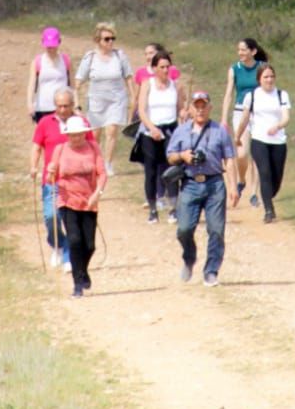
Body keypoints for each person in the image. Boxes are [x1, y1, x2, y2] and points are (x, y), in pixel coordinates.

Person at [165, 90, 239, 287]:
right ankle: (189, 256)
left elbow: (230, 159)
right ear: (190, 109)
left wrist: (233, 186)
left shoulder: (220, 131)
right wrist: (183, 155)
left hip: (214, 183)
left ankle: (211, 270)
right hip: (190, 184)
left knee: (216, 230)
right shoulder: (181, 131)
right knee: (184, 229)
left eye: (203, 106)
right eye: (196, 106)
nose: (200, 110)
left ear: (209, 108)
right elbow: (170, 156)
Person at [30, 88, 95, 272]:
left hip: (75, 182)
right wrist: (33, 166)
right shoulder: (45, 123)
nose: (63, 110)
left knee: (72, 222)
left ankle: (68, 255)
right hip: (51, 180)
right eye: (59, 106)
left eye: (66, 106)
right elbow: (36, 147)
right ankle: (57, 243)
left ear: (73, 105)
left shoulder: (81, 123)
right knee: (51, 217)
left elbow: (92, 147)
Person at [48, 115, 106, 298]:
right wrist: (50, 172)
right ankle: (77, 284)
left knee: (89, 245)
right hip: (67, 200)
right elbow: (53, 172)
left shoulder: (93, 148)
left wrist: (97, 194)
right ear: (67, 135)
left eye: (79, 134)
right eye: (73, 135)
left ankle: (82, 271)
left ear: (84, 134)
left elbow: (102, 173)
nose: (76, 138)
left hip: (89, 201)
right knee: (74, 241)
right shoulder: (60, 149)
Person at [135, 49, 188, 223]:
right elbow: (141, 110)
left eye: (168, 66)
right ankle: (153, 209)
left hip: (170, 130)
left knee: (172, 169)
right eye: (162, 67)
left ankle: (173, 208)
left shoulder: (175, 85)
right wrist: (151, 128)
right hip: (150, 131)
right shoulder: (147, 84)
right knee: (150, 172)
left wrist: (183, 112)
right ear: (155, 68)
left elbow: (180, 107)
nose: (166, 70)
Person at [235, 63, 291, 223]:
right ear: (259, 79)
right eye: (266, 77)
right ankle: (268, 210)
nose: (269, 80)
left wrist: (278, 126)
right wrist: (238, 136)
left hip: (278, 141)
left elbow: (286, 117)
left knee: (276, 176)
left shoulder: (282, 95)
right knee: (264, 172)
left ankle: (268, 196)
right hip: (259, 139)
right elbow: (245, 118)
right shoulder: (251, 96)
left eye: (272, 76)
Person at [75, 23, 134, 175]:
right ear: (98, 40)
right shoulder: (90, 58)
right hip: (96, 100)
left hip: (116, 99)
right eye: (106, 39)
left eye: (112, 38)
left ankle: (108, 163)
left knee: (112, 130)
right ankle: (95, 161)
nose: (110, 42)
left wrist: (133, 96)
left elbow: (128, 77)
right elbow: (78, 80)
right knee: (95, 134)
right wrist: (76, 102)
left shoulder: (120, 56)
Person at [221, 38, 267, 207]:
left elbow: (269, 87)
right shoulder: (234, 69)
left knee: (257, 154)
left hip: (260, 112)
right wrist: (224, 119)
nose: (240, 53)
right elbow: (228, 94)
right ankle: (242, 180)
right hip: (241, 112)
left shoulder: (262, 67)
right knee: (241, 154)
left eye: (243, 50)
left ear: (252, 51)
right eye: (239, 50)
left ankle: (254, 193)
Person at [27, 26, 72, 122]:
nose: (50, 49)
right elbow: (31, 85)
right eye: (48, 46)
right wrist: (30, 104)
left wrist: (76, 105)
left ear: (59, 42)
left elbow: (72, 85)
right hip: (42, 108)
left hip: (62, 107)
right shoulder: (37, 61)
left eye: (53, 46)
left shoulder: (66, 60)